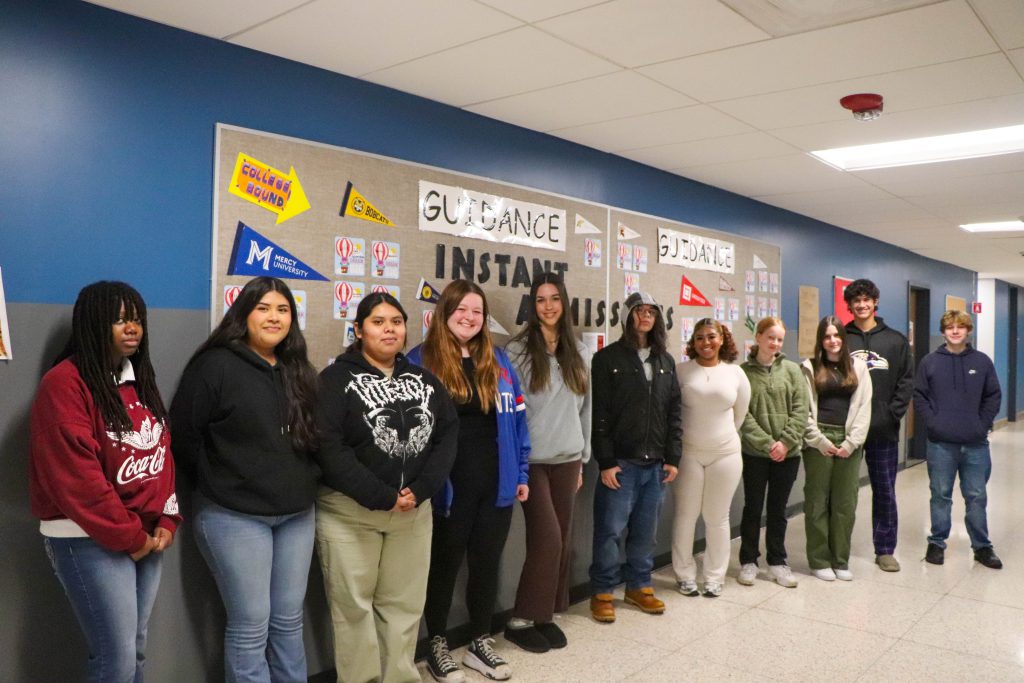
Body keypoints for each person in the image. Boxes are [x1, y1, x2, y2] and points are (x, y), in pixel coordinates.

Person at [170, 276, 319, 683]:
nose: (274, 317)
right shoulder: (215, 365)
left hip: (296, 516)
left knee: (288, 623)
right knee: (251, 626)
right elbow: (184, 436)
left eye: (283, 309)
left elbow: (315, 438)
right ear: (244, 314)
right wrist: (222, 482)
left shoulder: (298, 368)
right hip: (234, 517)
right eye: (264, 308)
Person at [29, 281, 180, 683]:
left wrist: (166, 519)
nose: (131, 328)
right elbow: (77, 480)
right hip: (87, 538)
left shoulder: (139, 379)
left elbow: (161, 455)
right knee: (115, 659)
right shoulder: (64, 384)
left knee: (135, 650)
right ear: (92, 323)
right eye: (118, 319)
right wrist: (132, 537)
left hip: (144, 537)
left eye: (136, 319)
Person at [315, 292, 458, 682]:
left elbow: (447, 435)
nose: (389, 328)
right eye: (378, 322)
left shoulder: (424, 380)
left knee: (404, 606)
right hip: (350, 513)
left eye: (396, 321)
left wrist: (423, 488)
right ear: (359, 330)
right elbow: (329, 446)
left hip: (412, 513)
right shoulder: (334, 380)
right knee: (353, 609)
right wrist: (382, 496)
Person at [408, 280, 529, 683]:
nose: (469, 317)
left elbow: (519, 422)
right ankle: (437, 646)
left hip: (496, 482)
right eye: (461, 309)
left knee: (486, 564)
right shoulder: (420, 359)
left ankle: (480, 642)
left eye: (477, 311)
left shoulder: (499, 360)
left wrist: (521, 472)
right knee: (443, 566)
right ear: (444, 312)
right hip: (446, 486)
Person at [504, 273, 591, 652]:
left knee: (564, 539)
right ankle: (520, 619)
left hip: (569, 458)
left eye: (555, 298)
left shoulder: (581, 352)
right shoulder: (517, 351)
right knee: (548, 539)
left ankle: (545, 615)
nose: (548, 306)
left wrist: (583, 458)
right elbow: (513, 413)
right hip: (533, 461)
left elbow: (586, 409)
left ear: (564, 303)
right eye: (540, 299)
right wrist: (517, 464)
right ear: (532, 305)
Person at [589, 291, 681, 623]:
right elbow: (599, 416)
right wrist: (606, 461)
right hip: (622, 464)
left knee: (646, 532)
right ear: (628, 315)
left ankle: (638, 586)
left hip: (655, 464)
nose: (645, 317)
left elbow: (673, 413)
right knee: (610, 530)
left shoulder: (665, 361)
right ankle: (602, 591)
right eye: (639, 311)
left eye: (651, 312)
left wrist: (673, 458)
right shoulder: (607, 359)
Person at [914, 310, 1003, 569]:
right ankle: (937, 542)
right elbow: (919, 396)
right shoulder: (929, 362)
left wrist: (981, 424)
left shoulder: (982, 362)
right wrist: (933, 422)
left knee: (976, 496)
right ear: (943, 331)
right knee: (940, 494)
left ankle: (982, 547)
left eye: (960, 327)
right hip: (940, 443)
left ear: (968, 330)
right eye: (950, 327)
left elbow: (993, 396)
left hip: (975, 444)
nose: (955, 331)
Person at [671, 318, 750, 598]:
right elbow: (673, 412)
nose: (706, 342)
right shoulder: (680, 371)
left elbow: (740, 414)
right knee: (686, 515)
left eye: (711, 337)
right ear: (693, 343)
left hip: (725, 454)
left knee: (717, 518)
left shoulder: (736, 374)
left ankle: (715, 576)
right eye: (700, 338)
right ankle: (684, 574)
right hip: (689, 453)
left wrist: (720, 438)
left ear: (722, 339)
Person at [843, 278, 913, 573]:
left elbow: (906, 381)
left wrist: (890, 415)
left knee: (884, 490)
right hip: (844, 430)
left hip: (882, 428)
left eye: (866, 299)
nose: (861, 304)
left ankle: (885, 549)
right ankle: (837, 550)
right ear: (849, 305)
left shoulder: (895, 340)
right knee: (843, 492)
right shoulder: (840, 337)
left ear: (875, 302)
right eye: (856, 300)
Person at [800, 316, 872, 582]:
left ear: (844, 337)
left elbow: (864, 407)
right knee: (817, 502)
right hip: (818, 441)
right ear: (821, 340)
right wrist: (819, 441)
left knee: (845, 503)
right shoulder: (808, 367)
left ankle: (840, 560)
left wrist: (851, 442)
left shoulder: (859, 368)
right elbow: (803, 410)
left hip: (848, 442)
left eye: (837, 335)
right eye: (827, 336)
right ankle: (819, 560)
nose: (833, 341)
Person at [737, 316, 807, 589]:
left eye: (779, 339)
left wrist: (785, 443)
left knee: (778, 510)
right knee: (753, 508)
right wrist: (767, 444)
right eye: (770, 337)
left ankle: (777, 561)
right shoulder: (743, 372)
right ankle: (748, 561)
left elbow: (802, 410)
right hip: (755, 454)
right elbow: (743, 415)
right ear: (758, 337)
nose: (775, 343)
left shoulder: (792, 370)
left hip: (787, 455)